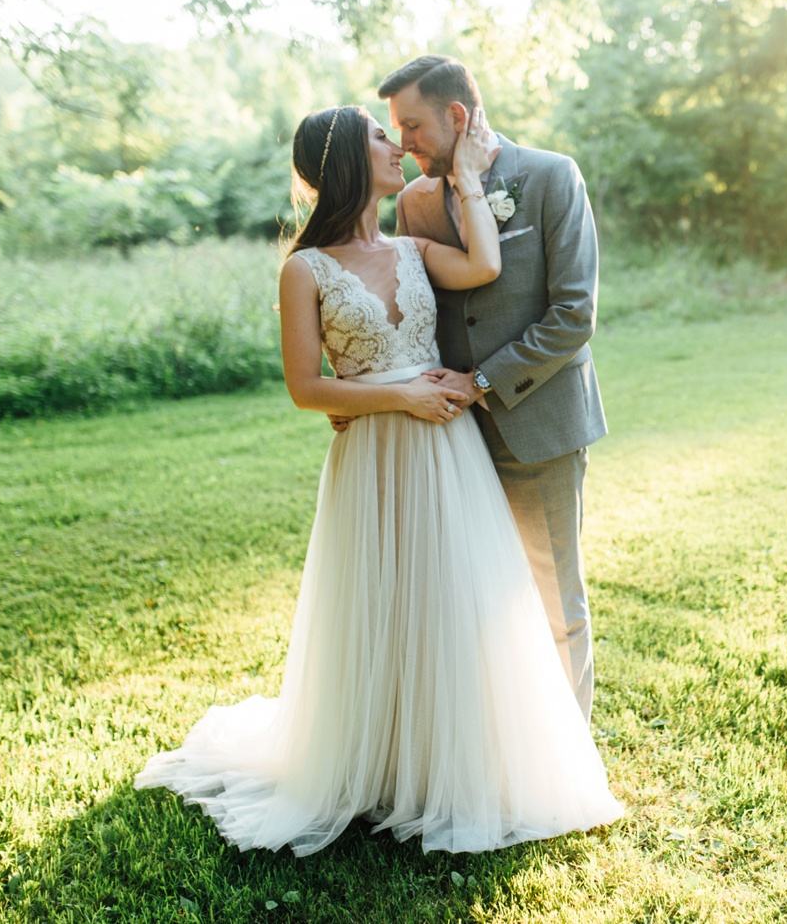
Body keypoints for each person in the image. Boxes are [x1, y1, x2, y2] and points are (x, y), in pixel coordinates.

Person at [134, 103, 623, 856]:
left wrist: (463, 176)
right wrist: (401, 394)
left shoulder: (414, 247)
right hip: (375, 452)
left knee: (450, 601)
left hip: (446, 451)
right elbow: (305, 387)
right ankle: (378, 759)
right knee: (382, 601)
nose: (396, 146)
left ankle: (449, 759)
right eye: (379, 136)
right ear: (344, 164)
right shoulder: (304, 269)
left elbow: (487, 266)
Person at [330, 56, 606, 723]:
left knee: (552, 596)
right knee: (474, 598)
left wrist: (481, 381)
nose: (403, 144)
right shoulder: (416, 202)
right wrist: (364, 387)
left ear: (457, 116)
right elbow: (405, 303)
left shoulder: (549, 176)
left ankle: (568, 747)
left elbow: (573, 315)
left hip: (536, 422)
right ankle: (498, 736)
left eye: (414, 125)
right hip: (447, 439)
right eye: (395, 130)